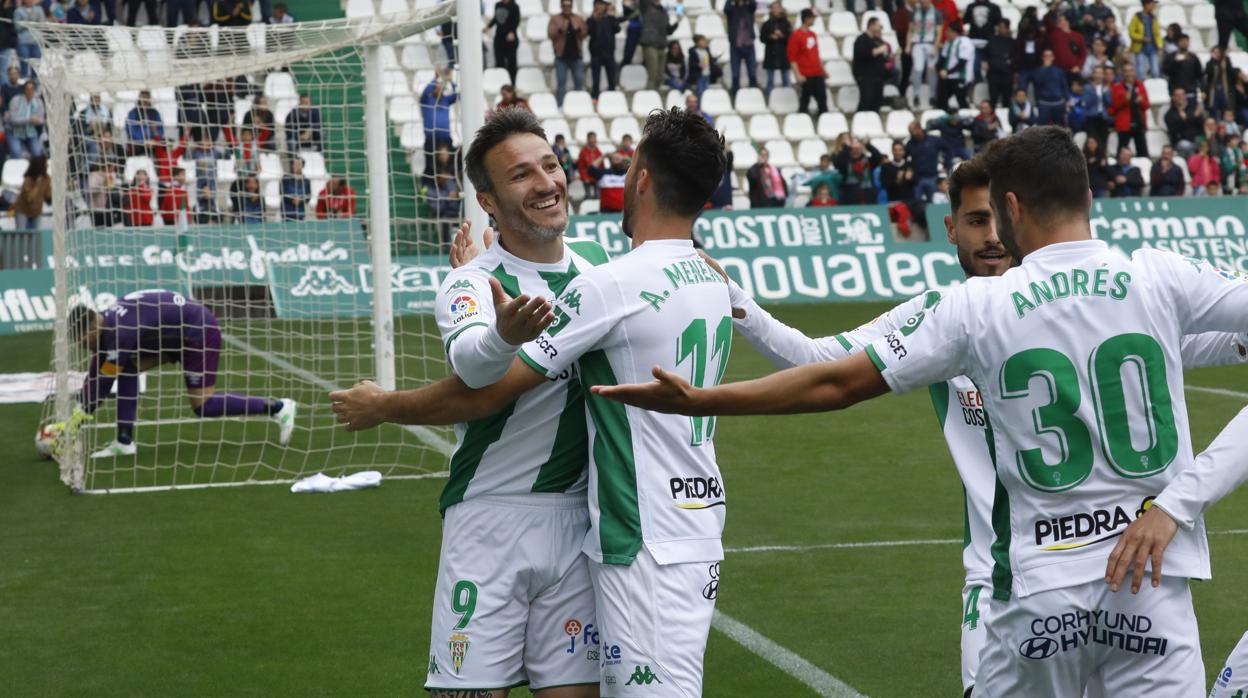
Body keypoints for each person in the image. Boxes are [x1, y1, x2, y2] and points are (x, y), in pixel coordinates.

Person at [591, 125, 1248, 697]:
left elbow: (835, 383)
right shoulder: (1155, 279)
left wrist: (705, 401)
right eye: (974, 221)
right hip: (1139, 582)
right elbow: (822, 359)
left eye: (995, 216)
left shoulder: (971, 313)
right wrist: (1179, 503)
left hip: (1032, 585)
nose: (991, 235)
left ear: (1014, 208)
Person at [330, 107, 730, 698]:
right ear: (487, 202)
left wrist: (710, 277)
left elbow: (670, 277)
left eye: (550, 165)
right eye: (520, 175)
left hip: (583, 526)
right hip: (491, 516)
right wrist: (502, 336)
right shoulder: (471, 284)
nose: (545, 182)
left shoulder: (602, 266)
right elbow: (473, 369)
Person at [65, 290, 296, 459]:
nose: (84, 346)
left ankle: (278, 408)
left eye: (84, 342)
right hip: (173, 334)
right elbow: (98, 369)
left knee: (202, 405)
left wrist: (76, 420)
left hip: (198, 332)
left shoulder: (121, 334)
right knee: (128, 368)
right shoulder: (107, 322)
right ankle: (124, 442)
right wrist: (75, 419)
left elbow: (104, 381)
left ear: (93, 329)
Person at [548, 0, 588, 106]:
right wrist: (562, 27)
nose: (567, 8)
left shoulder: (577, 18)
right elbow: (551, 34)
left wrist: (578, 30)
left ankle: (579, 105)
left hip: (576, 56)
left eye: (569, 6)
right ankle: (561, 106)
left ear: (572, 6)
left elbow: (584, 33)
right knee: (561, 84)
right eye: (565, 6)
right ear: (561, 6)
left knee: (579, 82)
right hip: (561, 57)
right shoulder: (555, 19)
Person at [788, 9, 827, 116]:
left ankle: (823, 122)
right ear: (806, 18)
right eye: (813, 18)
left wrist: (823, 70)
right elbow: (792, 58)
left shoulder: (812, 34)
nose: (814, 20)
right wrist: (797, 75)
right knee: (805, 102)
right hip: (806, 75)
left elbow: (816, 54)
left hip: (817, 74)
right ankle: (801, 123)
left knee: (823, 101)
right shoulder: (796, 35)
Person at [908, 0, 944, 108]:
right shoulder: (914, 12)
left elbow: (939, 31)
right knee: (918, 68)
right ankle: (916, 94)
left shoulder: (936, 13)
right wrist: (908, 44)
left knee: (931, 69)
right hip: (917, 42)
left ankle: (933, 95)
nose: (924, 4)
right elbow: (910, 30)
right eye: (922, 2)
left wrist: (936, 47)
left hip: (930, 43)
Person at [1110, 61, 1150, 158]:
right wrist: (1124, 99)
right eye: (1126, 71)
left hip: (1139, 123)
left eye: (1131, 71)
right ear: (1123, 74)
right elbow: (1113, 107)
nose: (1129, 73)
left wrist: (1141, 101)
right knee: (1121, 151)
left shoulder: (1140, 85)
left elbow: (1147, 105)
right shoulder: (1117, 87)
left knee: (1143, 152)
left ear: (1135, 72)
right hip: (1124, 125)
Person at [854, 17, 891, 112]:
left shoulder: (877, 40)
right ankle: (860, 123)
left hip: (878, 78)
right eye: (878, 26)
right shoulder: (861, 39)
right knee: (866, 101)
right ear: (871, 25)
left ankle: (874, 123)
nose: (880, 29)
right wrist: (878, 50)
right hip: (866, 77)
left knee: (877, 103)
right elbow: (862, 54)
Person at [586, 0, 620, 99]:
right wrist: (594, 19)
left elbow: (617, 29)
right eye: (598, 4)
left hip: (609, 54)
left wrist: (613, 16)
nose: (600, 6)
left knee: (612, 81)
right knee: (596, 81)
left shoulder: (610, 19)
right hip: (596, 54)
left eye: (602, 4)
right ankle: (595, 100)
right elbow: (589, 32)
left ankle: (612, 100)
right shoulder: (590, 20)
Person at [935, 21, 974, 110]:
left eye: (948, 31)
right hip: (947, 77)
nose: (946, 33)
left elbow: (962, 62)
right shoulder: (948, 43)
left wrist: (947, 72)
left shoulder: (965, 42)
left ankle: (966, 119)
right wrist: (939, 69)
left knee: (961, 100)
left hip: (960, 77)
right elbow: (942, 59)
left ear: (954, 32)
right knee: (942, 100)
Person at [639, 0, 676, 90]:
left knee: (660, 76)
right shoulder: (647, 6)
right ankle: (649, 95)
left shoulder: (664, 11)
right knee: (653, 73)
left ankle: (655, 94)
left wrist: (677, 23)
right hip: (650, 44)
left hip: (662, 45)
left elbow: (668, 30)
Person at [724, 0, 759, 93]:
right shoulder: (731, 11)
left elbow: (754, 4)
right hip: (735, 46)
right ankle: (735, 94)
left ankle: (754, 92)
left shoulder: (748, 9)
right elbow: (726, 8)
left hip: (749, 45)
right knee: (735, 74)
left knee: (752, 73)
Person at [760, 2, 792, 96]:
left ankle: (788, 97)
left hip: (783, 54)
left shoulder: (786, 23)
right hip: (771, 54)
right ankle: (770, 98)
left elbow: (790, 39)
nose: (776, 10)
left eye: (778, 7)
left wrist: (782, 36)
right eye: (774, 8)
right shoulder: (766, 24)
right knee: (770, 80)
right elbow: (762, 38)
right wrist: (771, 37)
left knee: (786, 79)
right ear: (771, 10)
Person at [6, 78, 42, 158]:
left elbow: (41, 119)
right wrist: (29, 120)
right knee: (16, 151)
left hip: (30, 131)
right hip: (13, 132)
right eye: (27, 89)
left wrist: (37, 121)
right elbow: (13, 120)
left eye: (32, 89)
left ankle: (34, 170)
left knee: (37, 152)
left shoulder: (38, 101)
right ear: (23, 90)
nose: (30, 91)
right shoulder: (15, 100)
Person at [1033, 49, 1071, 126]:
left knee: (1060, 128)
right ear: (1042, 58)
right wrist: (1044, 68)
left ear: (1053, 57)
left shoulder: (1059, 71)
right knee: (1042, 128)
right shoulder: (1038, 71)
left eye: (1049, 56)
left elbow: (1064, 86)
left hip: (1058, 103)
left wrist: (1067, 99)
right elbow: (1037, 83)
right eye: (1045, 56)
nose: (1047, 58)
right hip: (1044, 103)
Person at [905, 120, 940, 201]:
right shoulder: (910, 143)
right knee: (916, 204)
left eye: (912, 131)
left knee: (934, 203)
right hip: (917, 179)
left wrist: (946, 163)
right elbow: (904, 157)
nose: (911, 134)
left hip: (932, 177)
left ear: (919, 129)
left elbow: (948, 148)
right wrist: (909, 168)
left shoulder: (933, 140)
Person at [488, 0, 521, 84]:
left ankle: (512, 84)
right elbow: (496, 18)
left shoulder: (514, 6)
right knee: (499, 61)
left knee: (511, 63)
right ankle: (500, 82)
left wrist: (512, 32)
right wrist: (488, 27)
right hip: (499, 37)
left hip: (511, 38)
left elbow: (516, 21)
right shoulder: (497, 5)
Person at [1128, 0, 1163, 79]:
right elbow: (1131, 32)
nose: (1153, 6)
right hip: (1140, 48)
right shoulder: (1137, 17)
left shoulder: (1153, 18)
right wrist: (1142, 38)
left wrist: (1159, 44)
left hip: (1152, 47)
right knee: (1140, 71)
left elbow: (1157, 33)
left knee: (1155, 71)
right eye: (1151, 4)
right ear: (1146, 5)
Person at [1165, 88, 1204, 158]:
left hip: (1197, 139)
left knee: (1206, 143)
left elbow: (1200, 125)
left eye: (1182, 95)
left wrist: (1197, 117)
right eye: (1178, 95)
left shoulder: (1192, 109)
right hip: (1181, 141)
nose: (1180, 97)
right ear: (1173, 98)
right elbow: (1174, 132)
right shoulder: (1170, 114)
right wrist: (1184, 120)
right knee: (1186, 146)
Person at [1162, 34, 1202, 101]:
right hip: (1176, 92)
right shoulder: (1171, 57)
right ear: (1178, 43)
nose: (1185, 43)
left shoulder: (1193, 57)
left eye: (1187, 41)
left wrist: (1202, 89)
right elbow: (1165, 71)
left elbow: (1200, 74)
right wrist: (1175, 62)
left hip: (1190, 91)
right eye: (1182, 41)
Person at [985, 19, 1014, 108]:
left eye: (1003, 27)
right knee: (993, 98)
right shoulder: (992, 39)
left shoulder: (1012, 42)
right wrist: (984, 61)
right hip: (993, 74)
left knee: (1007, 100)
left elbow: (1016, 57)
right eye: (999, 27)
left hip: (1007, 75)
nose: (1001, 29)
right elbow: (985, 53)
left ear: (1007, 28)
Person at [13, 154, 47, 230]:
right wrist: (37, 186)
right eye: (45, 164)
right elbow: (28, 198)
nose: (47, 166)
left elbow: (48, 197)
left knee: (38, 234)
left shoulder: (46, 179)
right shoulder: (28, 180)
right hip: (23, 210)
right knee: (21, 234)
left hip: (37, 210)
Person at [125, 91, 164, 157]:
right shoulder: (133, 112)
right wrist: (143, 141)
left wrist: (153, 140)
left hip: (152, 142)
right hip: (137, 142)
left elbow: (160, 129)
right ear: (140, 99)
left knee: (162, 148)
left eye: (147, 98)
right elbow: (131, 129)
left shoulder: (154, 112)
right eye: (143, 98)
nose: (145, 100)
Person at [1083, 66, 1112, 151]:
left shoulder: (1106, 87)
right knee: (1092, 140)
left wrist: (1106, 93)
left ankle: (1102, 158)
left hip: (1103, 117)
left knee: (1103, 140)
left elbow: (1109, 103)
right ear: (1093, 75)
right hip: (1092, 117)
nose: (1098, 75)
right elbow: (1086, 102)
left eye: (1100, 73)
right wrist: (1095, 94)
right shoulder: (1087, 87)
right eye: (1097, 73)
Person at [13, 0, 44, 78]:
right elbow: (17, 26)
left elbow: (42, 25)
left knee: (36, 66)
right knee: (24, 65)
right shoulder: (18, 11)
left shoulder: (39, 9)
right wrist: (32, 23)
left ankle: (35, 85)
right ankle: (24, 83)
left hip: (36, 41)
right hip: (23, 42)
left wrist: (26, 23)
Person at [576, 130, 603, 198]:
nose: (594, 140)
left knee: (598, 196)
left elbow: (602, 165)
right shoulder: (583, 152)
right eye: (592, 138)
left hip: (596, 177)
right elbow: (581, 167)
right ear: (588, 139)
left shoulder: (598, 151)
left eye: (595, 138)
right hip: (587, 177)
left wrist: (601, 176)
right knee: (588, 196)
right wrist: (584, 177)